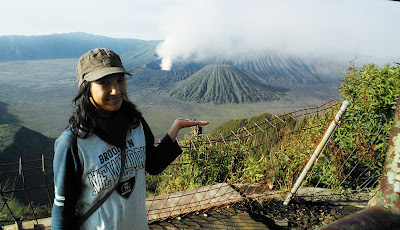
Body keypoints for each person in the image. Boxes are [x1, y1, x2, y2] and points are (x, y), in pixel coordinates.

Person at [51, 48, 209, 230]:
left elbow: (154, 165)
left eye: (120, 80)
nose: (116, 90)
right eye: (104, 82)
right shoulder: (73, 143)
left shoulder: (135, 123)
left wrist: (175, 128)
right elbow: (62, 211)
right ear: (86, 88)